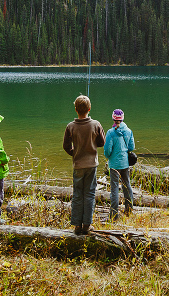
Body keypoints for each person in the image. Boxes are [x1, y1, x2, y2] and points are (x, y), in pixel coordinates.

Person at [63, 95, 106, 235]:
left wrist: (75, 153)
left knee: (77, 195)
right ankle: (87, 225)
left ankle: (77, 226)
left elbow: (66, 146)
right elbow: (102, 142)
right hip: (91, 165)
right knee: (89, 194)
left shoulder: (70, 126)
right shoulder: (96, 124)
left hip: (78, 165)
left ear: (76, 109)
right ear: (89, 108)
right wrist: (92, 145)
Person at [103, 108, 135, 220]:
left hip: (114, 165)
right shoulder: (128, 131)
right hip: (125, 163)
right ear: (122, 119)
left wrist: (108, 157)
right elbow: (131, 147)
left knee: (114, 189)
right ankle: (129, 210)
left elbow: (107, 150)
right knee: (127, 186)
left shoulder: (110, 133)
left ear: (113, 118)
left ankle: (114, 215)